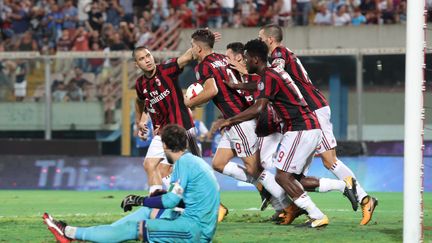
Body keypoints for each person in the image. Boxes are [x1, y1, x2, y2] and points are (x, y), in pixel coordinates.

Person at [224, 41, 357, 224]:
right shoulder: (270, 74)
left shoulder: (269, 76)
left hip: (300, 128)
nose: (245, 62)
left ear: (255, 59)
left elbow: (258, 107)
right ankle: (344, 185)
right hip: (307, 128)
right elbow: (259, 87)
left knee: (282, 177)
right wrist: (237, 85)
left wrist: (230, 120)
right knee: (295, 180)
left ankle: (317, 216)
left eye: (246, 58)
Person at [258, 24, 377, 225]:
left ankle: (364, 198)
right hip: (313, 108)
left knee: (329, 161)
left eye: (261, 37)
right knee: (296, 174)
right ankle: (297, 207)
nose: (259, 41)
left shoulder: (278, 52)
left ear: (270, 39)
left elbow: (276, 71)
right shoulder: (285, 53)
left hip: (312, 110)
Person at [43, 124, 220, 243]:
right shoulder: (192, 162)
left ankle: (68, 232)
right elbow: (182, 200)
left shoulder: (183, 164)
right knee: (149, 211)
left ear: (164, 145)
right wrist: (149, 201)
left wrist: (139, 199)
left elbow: (171, 201)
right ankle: (98, 234)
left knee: (134, 228)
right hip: (195, 223)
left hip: (193, 231)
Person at [185, 29, 287, 210]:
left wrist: (189, 102)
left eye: (192, 46)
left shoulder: (202, 67)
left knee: (253, 168)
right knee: (218, 163)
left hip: (238, 120)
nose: (191, 50)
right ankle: (264, 189)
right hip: (236, 118)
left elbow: (212, 91)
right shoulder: (222, 58)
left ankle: (286, 205)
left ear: (199, 49)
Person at [133, 46, 201, 197]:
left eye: (148, 55)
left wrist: (200, 42)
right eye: (142, 59)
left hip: (181, 127)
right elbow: (140, 102)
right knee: (150, 165)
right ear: (136, 64)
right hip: (163, 131)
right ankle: (162, 203)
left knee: (194, 168)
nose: (147, 60)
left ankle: (193, 198)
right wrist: (140, 122)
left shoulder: (166, 70)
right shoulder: (140, 84)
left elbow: (186, 57)